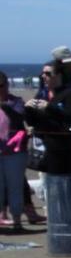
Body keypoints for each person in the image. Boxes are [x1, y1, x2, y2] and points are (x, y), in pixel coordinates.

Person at [24, 61, 71, 175]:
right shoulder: (42, 94)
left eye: (48, 74)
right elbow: (34, 122)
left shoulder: (70, 94)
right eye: (42, 74)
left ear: (59, 76)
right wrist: (28, 110)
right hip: (48, 149)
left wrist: (50, 107)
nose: (44, 76)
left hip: (68, 151)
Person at [0, 72, 27, 232]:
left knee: (15, 186)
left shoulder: (16, 102)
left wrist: (4, 106)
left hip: (14, 153)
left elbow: (19, 117)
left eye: (1, 85)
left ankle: (17, 219)